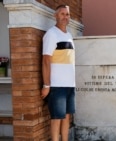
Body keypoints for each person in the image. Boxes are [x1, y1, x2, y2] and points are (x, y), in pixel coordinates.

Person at [41, 5, 75, 141]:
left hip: (70, 85)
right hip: (57, 85)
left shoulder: (69, 35)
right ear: (55, 16)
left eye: (67, 14)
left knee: (67, 117)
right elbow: (45, 60)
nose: (65, 17)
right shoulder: (51, 34)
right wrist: (46, 85)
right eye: (62, 14)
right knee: (56, 118)